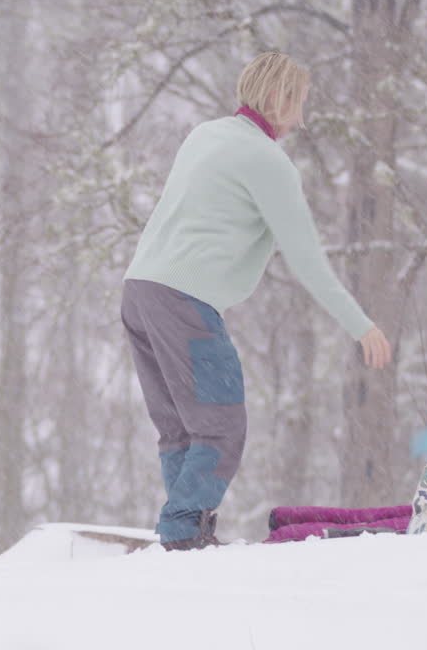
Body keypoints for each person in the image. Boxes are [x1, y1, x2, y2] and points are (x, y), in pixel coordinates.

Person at [120, 51, 393, 551]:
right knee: (221, 425)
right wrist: (362, 326)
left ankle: (188, 536)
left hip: (139, 292)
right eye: (299, 104)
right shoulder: (267, 161)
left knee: (181, 428)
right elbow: (307, 261)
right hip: (184, 301)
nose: (301, 117)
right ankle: (181, 534)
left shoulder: (205, 135)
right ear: (277, 99)